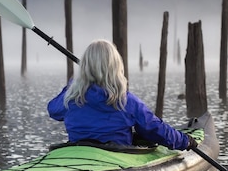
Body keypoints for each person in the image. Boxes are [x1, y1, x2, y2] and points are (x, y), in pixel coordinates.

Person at [47, 39, 198, 151]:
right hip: (117, 155)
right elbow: (154, 129)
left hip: (79, 151)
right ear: (115, 66)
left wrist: (72, 86)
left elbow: (53, 110)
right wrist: (184, 141)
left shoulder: (71, 98)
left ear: (85, 67)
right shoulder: (125, 101)